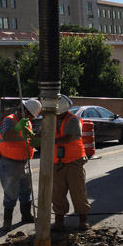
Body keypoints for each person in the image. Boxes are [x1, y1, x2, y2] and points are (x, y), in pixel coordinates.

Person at [0, 98, 41, 231]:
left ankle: (26, 215)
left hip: (24, 161)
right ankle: (7, 221)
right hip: (9, 161)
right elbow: (6, 136)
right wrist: (18, 127)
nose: (31, 119)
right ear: (25, 110)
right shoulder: (10, 120)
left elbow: (27, 138)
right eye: (31, 116)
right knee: (11, 191)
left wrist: (33, 141)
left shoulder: (26, 122)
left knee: (26, 189)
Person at [51, 95, 91, 231]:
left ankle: (83, 219)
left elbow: (68, 138)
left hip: (74, 161)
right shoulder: (51, 120)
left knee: (78, 192)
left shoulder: (73, 120)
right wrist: (32, 135)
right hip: (58, 161)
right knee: (57, 193)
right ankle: (59, 220)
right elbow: (42, 133)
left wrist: (47, 141)